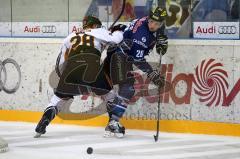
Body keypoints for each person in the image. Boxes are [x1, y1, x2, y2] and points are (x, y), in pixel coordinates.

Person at [34, 15, 125, 138]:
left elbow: (60, 61)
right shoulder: (99, 31)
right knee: (110, 96)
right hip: (91, 67)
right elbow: (115, 40)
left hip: (70, 71)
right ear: (94, 26)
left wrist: (63, 78)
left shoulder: (70, 36)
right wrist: (118, 30)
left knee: (58, 99)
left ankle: (44, 121)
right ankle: (113, 123)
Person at [104, 7, 169, 138]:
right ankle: (113, 121)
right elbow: (138, 60)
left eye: (157, 24)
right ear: (148, 19)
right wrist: (152, 74)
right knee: (127, 88)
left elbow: (153, 42)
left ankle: (113, 119)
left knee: (127, 89)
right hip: (118, 56)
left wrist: (160, 45)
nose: (153, 25)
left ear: (161, 24)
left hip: (122, 56)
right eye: (151, 22)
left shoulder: (147, 23)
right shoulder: (142, 35)